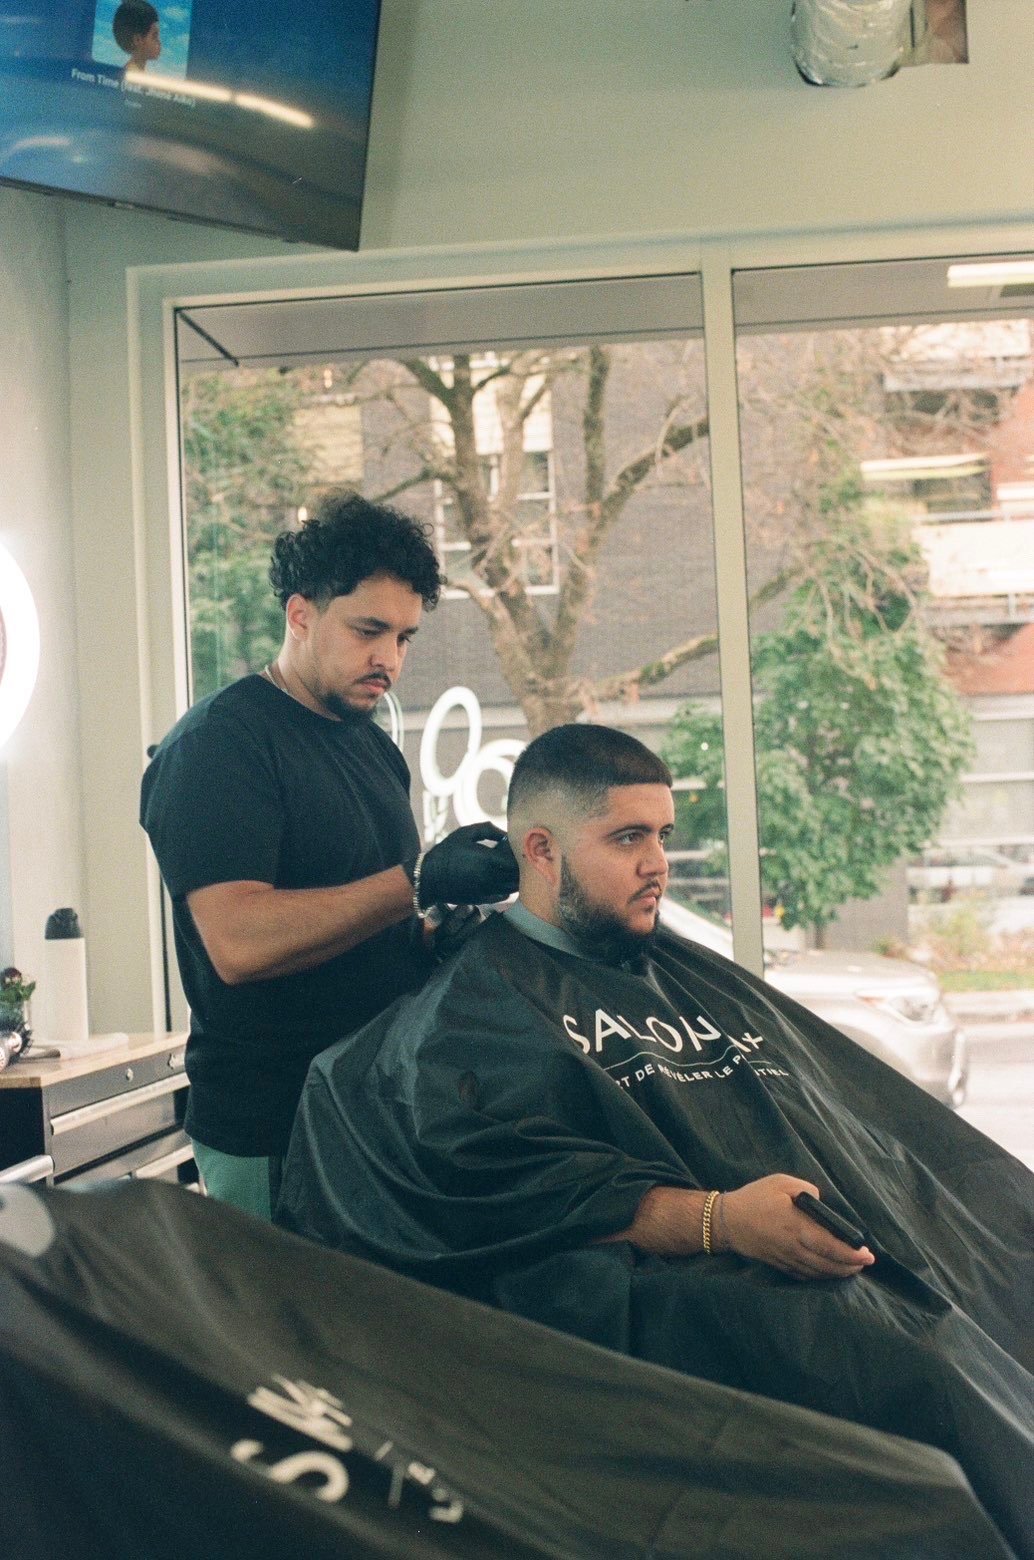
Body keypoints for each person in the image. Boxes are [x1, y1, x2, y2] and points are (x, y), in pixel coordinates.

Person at [278, 723, 1034, 1557]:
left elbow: (858, 1125)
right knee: (907, 1362)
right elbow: (511, 1191)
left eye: (664, 836)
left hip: (816, 1240)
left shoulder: (676, 970)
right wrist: (724, 1220)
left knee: (1003, 1241)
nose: (658, 864)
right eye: (628, 838)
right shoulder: (466, 1020)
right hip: (676, 1293)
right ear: (542, 850)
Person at [141, 493, 517, 1218]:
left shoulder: (373, 748)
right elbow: (239, 943)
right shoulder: (219, 746)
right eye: (368, 630)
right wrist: (417, 880)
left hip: (376, 1106)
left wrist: (436, 935)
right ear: (301, 614)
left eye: (404, 637)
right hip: (275, 1122)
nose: (389, 659)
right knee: (288, 1299)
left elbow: (369, 921)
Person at [112, 0, 161, 74]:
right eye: (154, 36)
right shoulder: (132, 74)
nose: (159, 42)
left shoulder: (136, 72)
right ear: (138, 40)